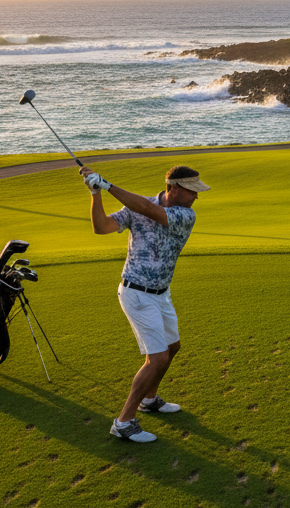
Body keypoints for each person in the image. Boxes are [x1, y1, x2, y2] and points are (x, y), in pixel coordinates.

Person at [79, 162, 211, 443]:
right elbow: (101, 227)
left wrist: (107, 184)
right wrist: (95, 193)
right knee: (158, 358)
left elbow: (151, 211)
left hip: (161, 293)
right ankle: (123, 422)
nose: (197, 197)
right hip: (136, 293)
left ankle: (149, 399)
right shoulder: (136, 206)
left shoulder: (185, 214)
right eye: (193, 191)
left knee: (172, 348)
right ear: (175, 188)